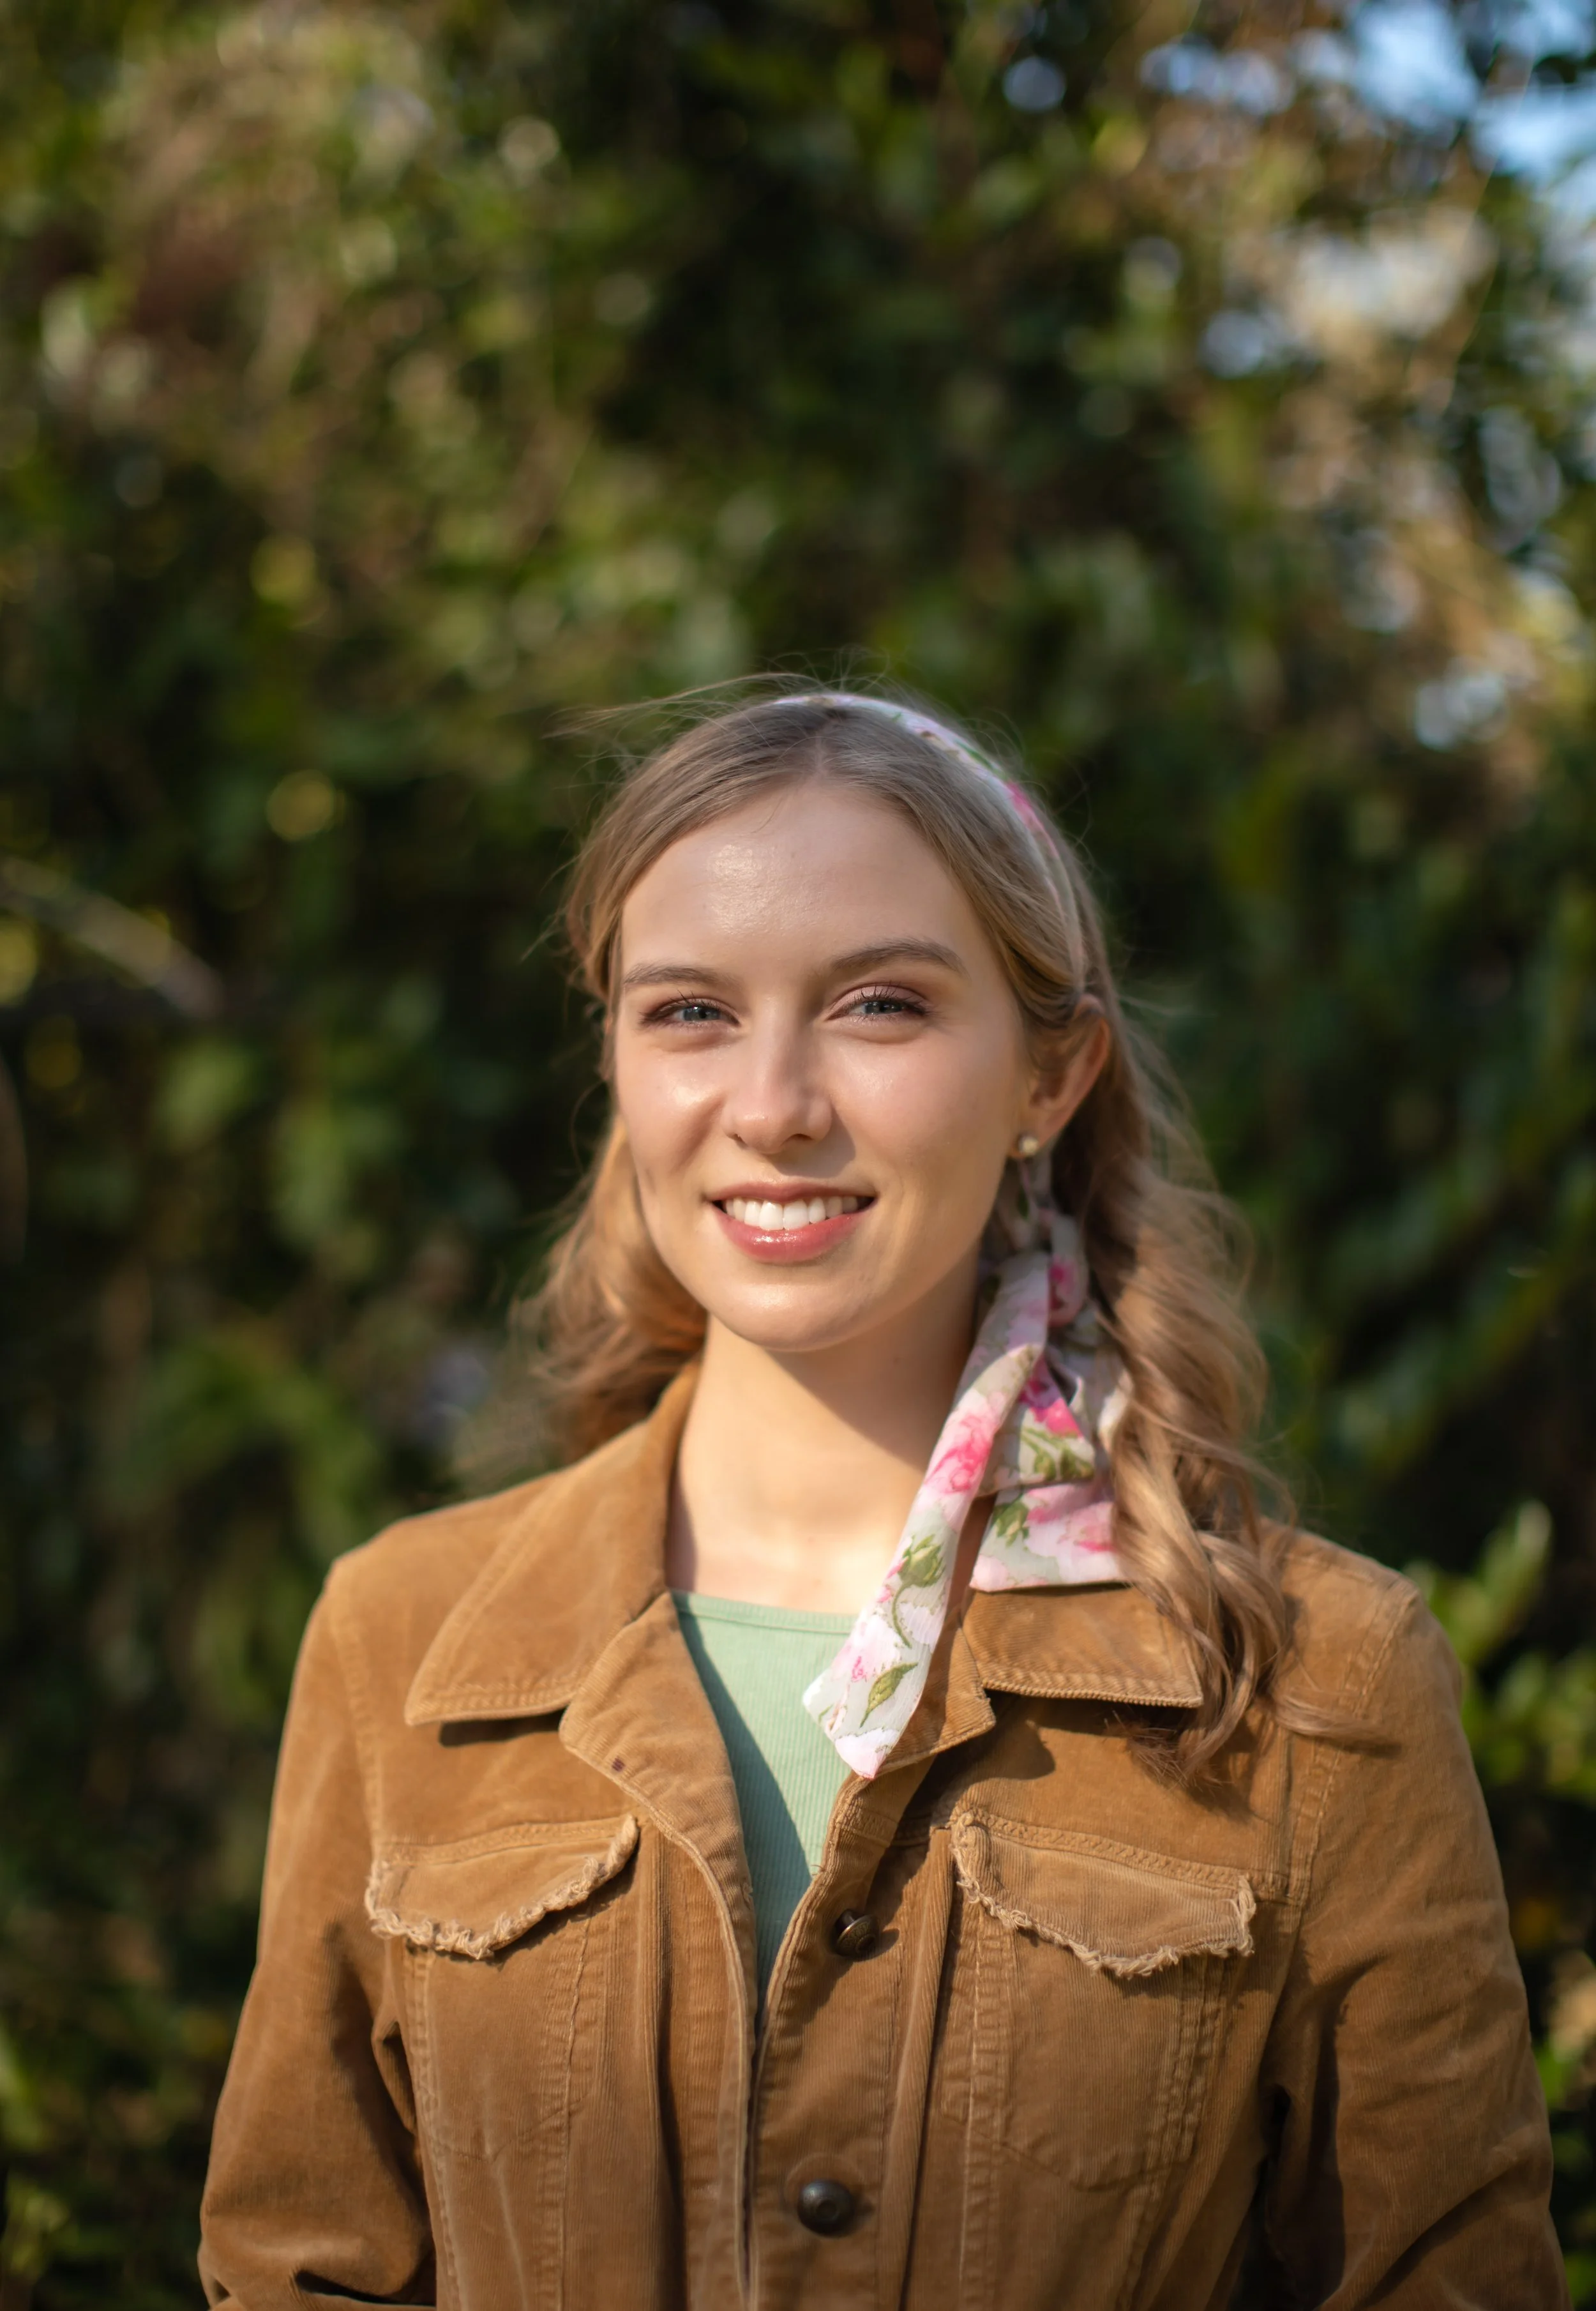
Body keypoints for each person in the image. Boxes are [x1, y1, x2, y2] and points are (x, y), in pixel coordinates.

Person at [199, 691, 1564, 2310]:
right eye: (689, 1013)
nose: (769, 1104)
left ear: (1050, 1075)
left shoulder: (1316, 1679)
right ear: (617, 1063)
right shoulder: (403, 1640)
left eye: (877, 1007)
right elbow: (298, 2270)